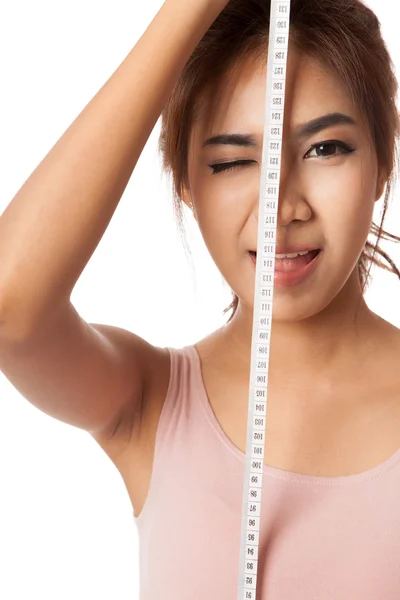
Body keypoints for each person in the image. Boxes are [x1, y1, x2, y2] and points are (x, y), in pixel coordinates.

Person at [0, 0, 400, 597]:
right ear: (185, 181)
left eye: (325, 148)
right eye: (233, 161)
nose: (280, 209)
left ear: (383, 159)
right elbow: (11, 310)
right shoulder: (150, 405)